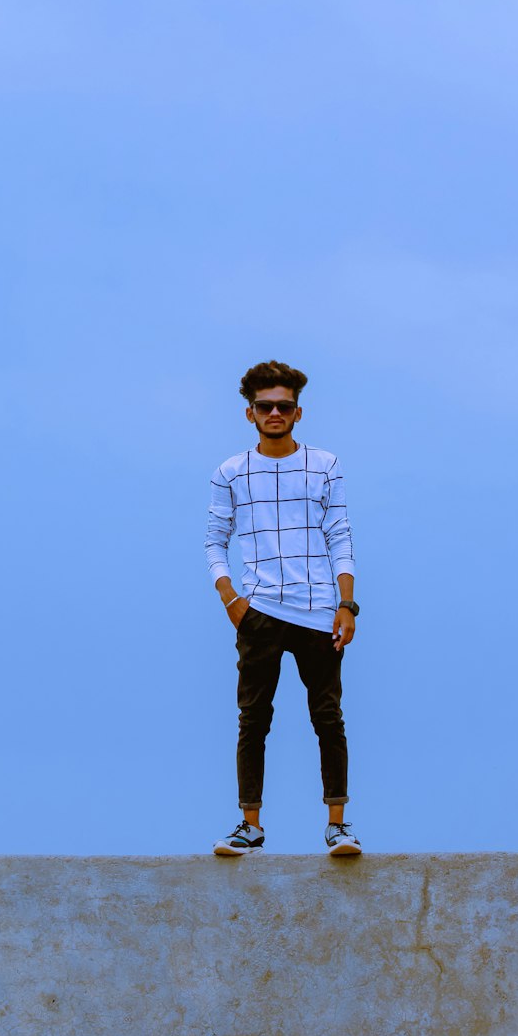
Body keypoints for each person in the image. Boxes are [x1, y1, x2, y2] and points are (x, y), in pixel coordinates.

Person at [205, 360, 362, 858]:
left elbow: (340, 535)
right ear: (249, 414)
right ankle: (249, 825)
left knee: (328, 717)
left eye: (284, 406)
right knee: (253, 719)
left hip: (319, 610)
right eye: (265, 406)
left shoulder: (325, 465)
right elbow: (213, 542)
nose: (275, 413)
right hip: (260, 613)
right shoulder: (231, 472)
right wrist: (231, 598)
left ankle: (338, 825)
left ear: (298, 412)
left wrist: (347, 603)